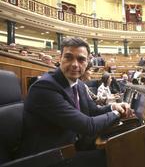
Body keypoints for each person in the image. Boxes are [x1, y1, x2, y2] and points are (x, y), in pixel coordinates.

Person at [19, 37, 132, 167]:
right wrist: (117, 113)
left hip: (71, 147)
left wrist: (114, 106)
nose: (75, 64)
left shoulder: (78, 84)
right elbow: (88, 126)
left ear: (87, 62)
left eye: (81, 59)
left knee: (118, 147)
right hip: (48, 158)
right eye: (68, 57)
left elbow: (93, 111)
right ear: (59, 59)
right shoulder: (45, 86)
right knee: (116, 155)